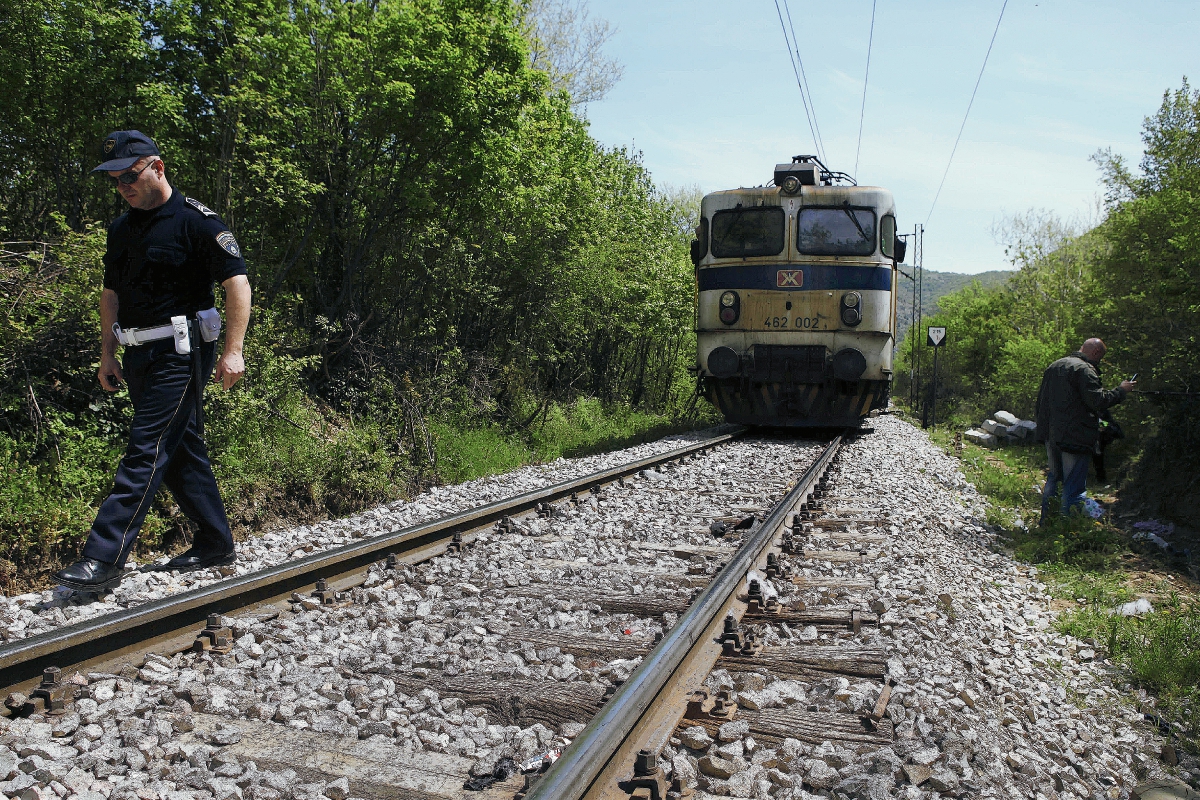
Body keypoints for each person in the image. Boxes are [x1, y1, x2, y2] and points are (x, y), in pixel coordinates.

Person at [54, 131, 251, 591]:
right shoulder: (121, 229)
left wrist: (233, 351)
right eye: (115, 180)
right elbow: (111, 294)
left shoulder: (196, 221)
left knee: (147, 447)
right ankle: (215, 542)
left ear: (156, 167)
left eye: (129, 175)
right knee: (180, 447)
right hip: (138, 351)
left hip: (182, 351)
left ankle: (104, 557)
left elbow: (236, 284)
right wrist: (107, 352)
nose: (122, 186)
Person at [1034, 338, 1134, 521]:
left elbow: (1040, 402)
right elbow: (1098, 401)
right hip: (1075, 437)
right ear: (1096, 353)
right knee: (1074, 485)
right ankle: (1067, 525)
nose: (1099, 361)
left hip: (1051, 434)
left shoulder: (1055, 365)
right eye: (1100, 358)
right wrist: (1121, 391)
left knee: (1054, 479)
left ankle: (1047, 521)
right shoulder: (1085, 370)